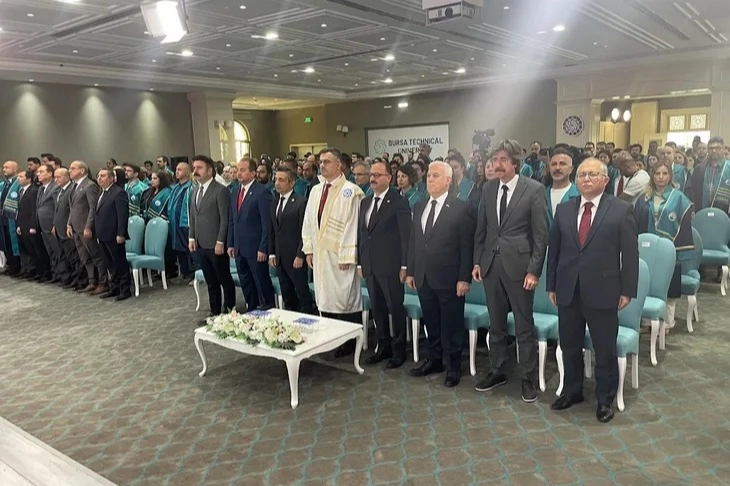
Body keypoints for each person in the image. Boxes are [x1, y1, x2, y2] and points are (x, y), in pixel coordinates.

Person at [547, 158, 639, 423]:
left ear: (605, 180)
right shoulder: (564, 210)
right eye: (582, 175)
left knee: (604, 349)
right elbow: (555, 251)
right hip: (568, 290)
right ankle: (572, 391)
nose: (586, 179)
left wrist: (627, 290)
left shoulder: (621, 210)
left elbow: (630, 255)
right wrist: (551, 284)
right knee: (569, 345)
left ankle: (604, 400)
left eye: (592, 174)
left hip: (604, 290)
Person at [472, 139, 548, 403]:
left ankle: (528, 377)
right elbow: (481, 229)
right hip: (491, 265)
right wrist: (477, 262)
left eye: (503, 159)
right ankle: (497, 370)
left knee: (524, 325)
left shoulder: (534, 189)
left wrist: (534, 271)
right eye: (495, 160)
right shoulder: (488, 188)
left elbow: (541, 236)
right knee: (496, 324)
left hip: (520, 267)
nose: (497, 164)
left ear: (515, 162)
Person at [406, 161, 474, 387]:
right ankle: (434, 359)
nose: (430, 179)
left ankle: (454, 366)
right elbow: (415, 241)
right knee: (431, 321)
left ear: (448, 180)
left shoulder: (461, 208)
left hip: (450, 278)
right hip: (424, 276)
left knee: (451, 324)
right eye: (428, 176)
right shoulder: (420, 206)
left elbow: (466, 246)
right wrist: (411, 271)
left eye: (436, 176)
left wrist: (464, 278)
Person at [302, 148, 364, 355]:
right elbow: (308, 221)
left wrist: (347, 255)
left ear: (339, 165)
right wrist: (309, 249)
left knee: (344, 297)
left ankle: (349, 341)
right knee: (325, 297)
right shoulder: (316, 190)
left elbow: (354, 225)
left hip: (340, 255)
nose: (322, 165)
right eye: (320, 162)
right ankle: (330, 339)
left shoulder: (351, 191)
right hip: (321, 254)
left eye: (327, 162)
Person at [358, 160, 411, 369]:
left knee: (394, 308)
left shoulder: (399, 202)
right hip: (370, 265)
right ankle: (383, 346)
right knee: (377, 308)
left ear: (389, 177)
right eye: (371, 175)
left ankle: (399, 350)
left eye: (377, 175)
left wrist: (405, 265)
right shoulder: (365, 202)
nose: (373, 178)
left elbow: (405, 236)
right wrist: (360, 262)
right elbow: (362, 234)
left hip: (391, 266)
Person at [635, 160, 694, 330]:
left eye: (665, 173)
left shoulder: (679, 198)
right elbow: (635, 222)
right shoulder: (644, 197)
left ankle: (667, 321)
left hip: (669, 249)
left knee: (667, 285)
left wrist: (680, 252)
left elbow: (684, 226)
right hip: (647, 248)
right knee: (646, 283)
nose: (661, 177)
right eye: (657, 173)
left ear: (670, 176)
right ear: (652, 176)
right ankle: (647, 320)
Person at [189, 155, 236, 318]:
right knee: (210, 280)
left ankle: (229, 309)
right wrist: (191, 237)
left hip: (216, 243)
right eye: (194, 167)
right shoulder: (195, 190)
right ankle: (214, 310)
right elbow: (193, 215)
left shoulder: (220, 190)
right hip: (200, 243)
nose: (195, 171)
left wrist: (221, 241)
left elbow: (225, 219)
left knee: (224, 278)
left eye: (199, 168)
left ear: (210, 171)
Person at [227, 158, 276, 311]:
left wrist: (263, 247)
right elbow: (232, 220)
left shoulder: (262, 192)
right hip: (239, 248)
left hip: (256, 248)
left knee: (261, 283)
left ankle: (268, 310)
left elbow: (267, 224)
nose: (239, 173)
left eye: (243, 170)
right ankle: (251, 310)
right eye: (238, 170)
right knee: (246, 283)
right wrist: (231, 243)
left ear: (253, 173)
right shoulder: (235, 191)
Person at [268, 167, 315, 314]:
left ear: (292, 182)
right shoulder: (274, 202)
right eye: (276, 179)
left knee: (302, 292)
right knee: (287, 292)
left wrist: (300, 254)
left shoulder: (301, 202)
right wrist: (272, 253)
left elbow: (305, 231)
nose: (277, 183)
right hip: (280, 256)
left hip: (295, 256)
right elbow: (272, 230)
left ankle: (308, 318)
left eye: (281, 180)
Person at [67, 160, 108, 295]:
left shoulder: (90, 186)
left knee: (96, 255)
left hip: (86, 228)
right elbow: (72, 207)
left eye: (73, 168)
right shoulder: (74, 186)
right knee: (84, 257)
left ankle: (103, 282)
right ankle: (92, 281)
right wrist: (69, 224)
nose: (70, 171)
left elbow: (92, 208)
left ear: (82, 170)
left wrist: (88, 226)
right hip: (76, 227)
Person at [94, 169, 131, 301]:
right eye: (98, 176)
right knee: (109, 264)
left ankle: (125, 289)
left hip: (114, 235)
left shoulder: (118, 193)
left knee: (119, 262)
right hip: (102, 234)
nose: (99, 178)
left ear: (111, 178)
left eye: (103, 176)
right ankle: (114, 287)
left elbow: (122, 215)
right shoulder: (101, 193)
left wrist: (121, 233)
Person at [52, 167, 82, 288]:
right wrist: (54, 224)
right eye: (55, 177)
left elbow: (72, 211)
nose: (56, 179)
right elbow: (57, 210)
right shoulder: (59, 191)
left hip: (69, 228)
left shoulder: (72, 189)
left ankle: (78, 280)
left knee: (74, 256)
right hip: (59, 228)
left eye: (58, 177)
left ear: (67, 177)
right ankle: (68, 278)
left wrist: (70, 225)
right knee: (65, 256)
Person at [15, 170, 49, 279]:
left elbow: (34, 209)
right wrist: (19, 225)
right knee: (30, 250)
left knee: (38, 250)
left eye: (21, 176)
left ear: (28, 179)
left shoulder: (34, 190)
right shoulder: (21, 191)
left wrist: (33, 226)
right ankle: (36, 271)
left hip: (31, 226)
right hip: (23, 225)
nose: (18, 178)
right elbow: (20, 210)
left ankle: (44, 272)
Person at [168, 163, 195, 280]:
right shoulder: (175, 188)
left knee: (188, 248)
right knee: (179, 248)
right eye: (176, 169)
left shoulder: (191, 187)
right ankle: (185, 272)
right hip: (175, 223)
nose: (176, 172)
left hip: (186, 223)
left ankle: (193, 273)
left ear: (187, 172)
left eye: (179, 169)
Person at [689, 136, 730, 212]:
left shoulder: (728, 168)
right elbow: (693, 193)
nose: (714, 150)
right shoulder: (699, 169)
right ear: (708, 150)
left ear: (723, 149)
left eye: (717, 148)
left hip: (724, 214)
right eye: (711, 148)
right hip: (702, 212)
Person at [35, 163, 61, 282]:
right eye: (38, 172)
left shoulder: (55, 187)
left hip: (51, 225)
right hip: (42, 225)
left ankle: (62, 275)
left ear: (50, 173)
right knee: (50, 251)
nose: (38, 174)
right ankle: (54, 274)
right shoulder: (41, 188)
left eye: (41, 172)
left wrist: (55, 224)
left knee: (57, 250)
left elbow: (57, 208)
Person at [545, 148, 580, 228]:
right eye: (554, 164)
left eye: (562, 164)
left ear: (571, 169)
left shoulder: (579, 195)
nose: (557, 168)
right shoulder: (540, 194)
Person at [0, 161, 22, 275]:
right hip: (3, 219)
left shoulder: (18, 183)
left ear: (15, 169)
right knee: (6, 242)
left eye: (7, 167)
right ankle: (11, 265)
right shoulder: (4, 184)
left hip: (13, 218)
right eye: (3, 167)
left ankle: (17, 266)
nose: (4, 169)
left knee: (14, 242)